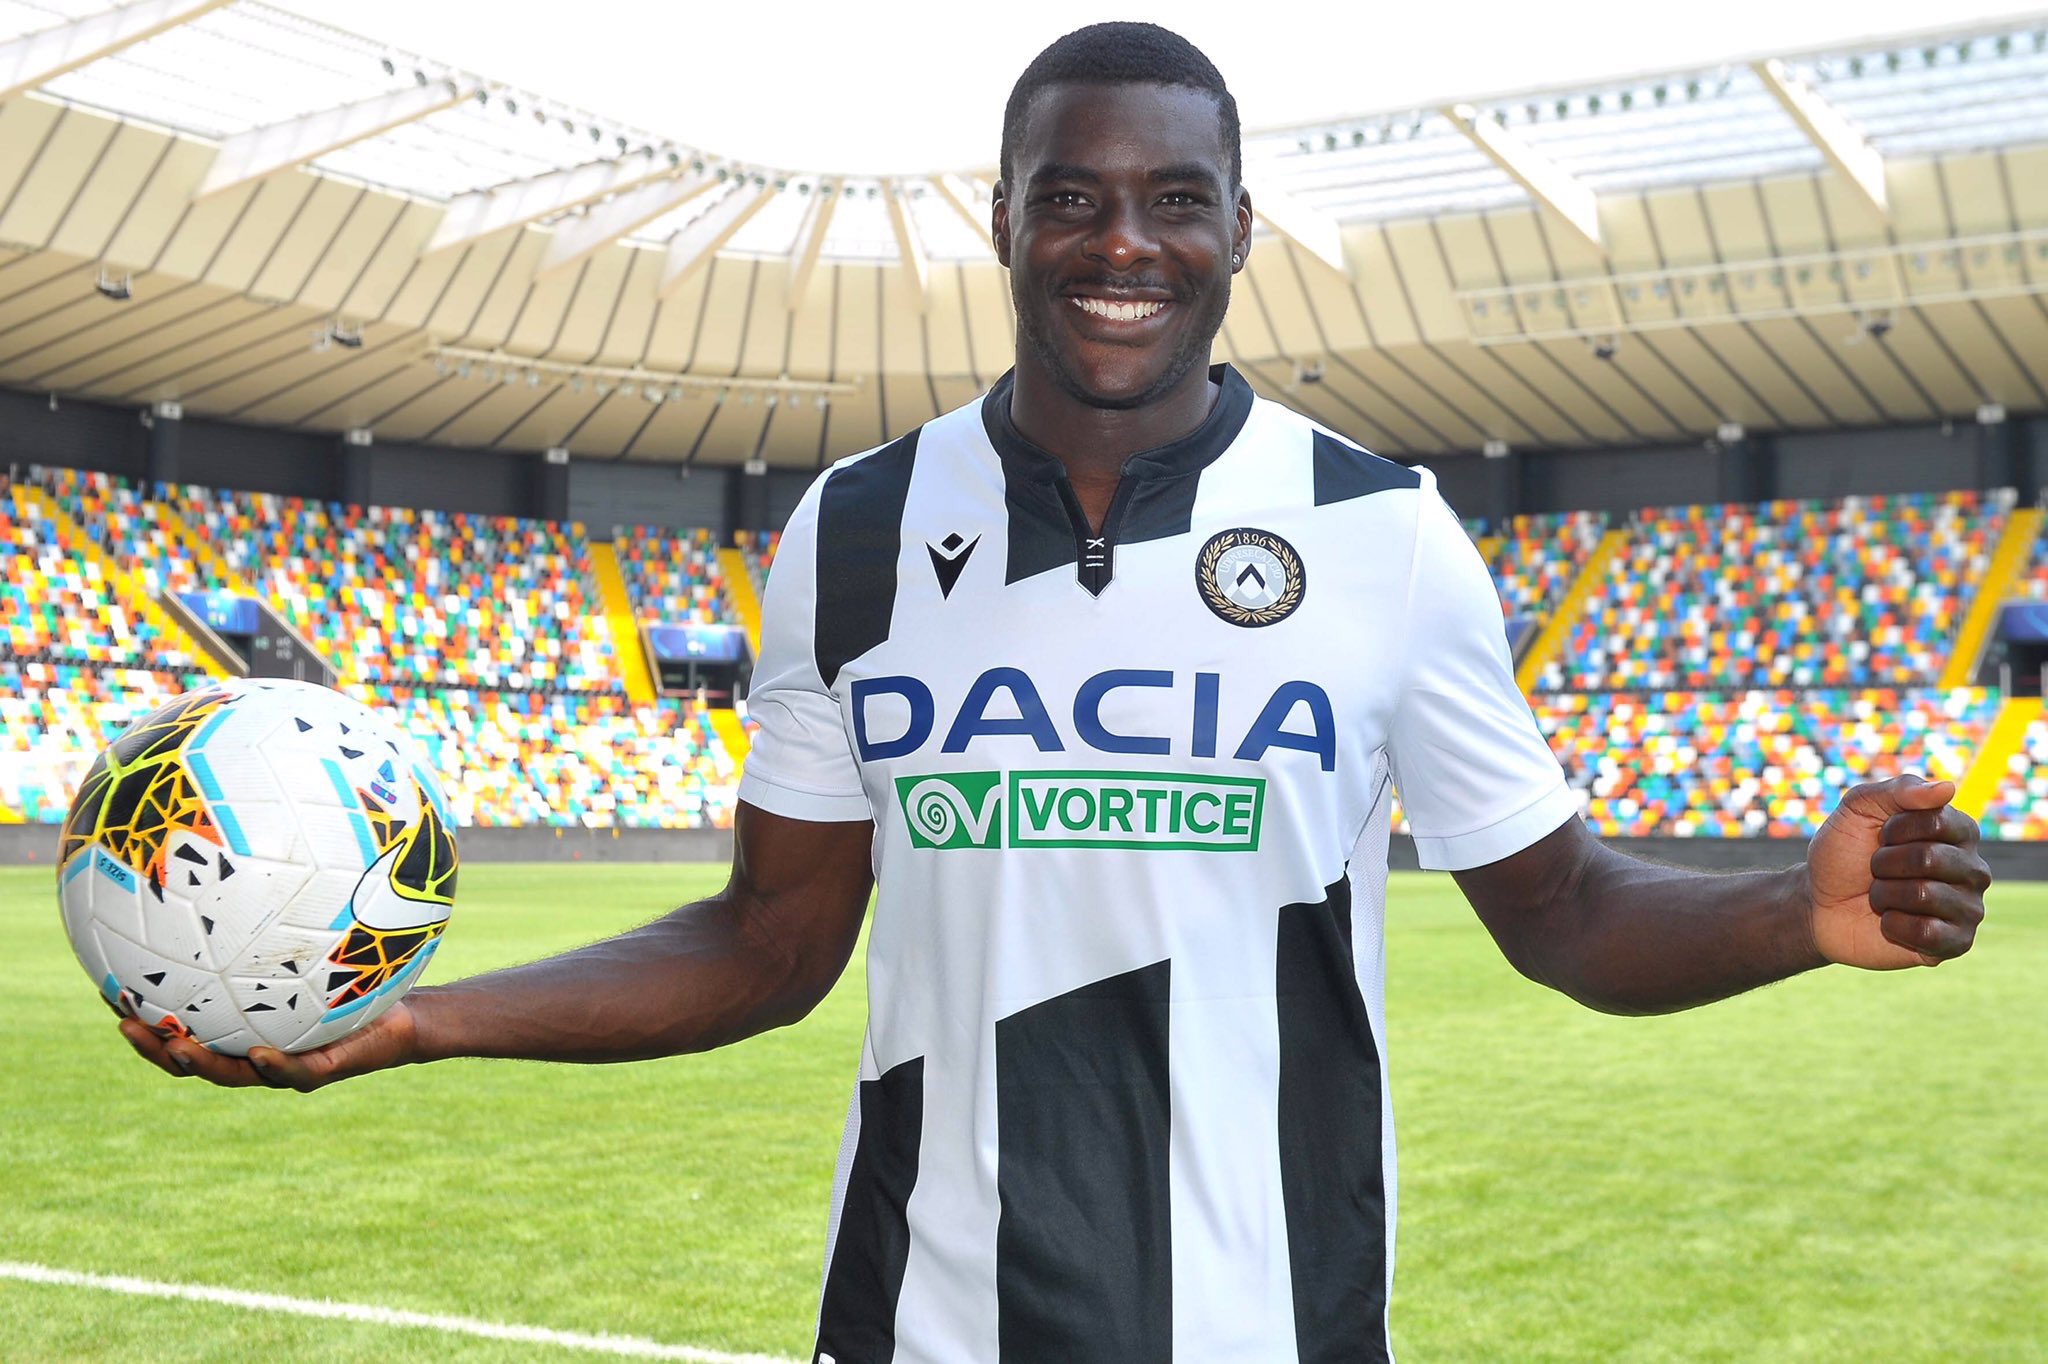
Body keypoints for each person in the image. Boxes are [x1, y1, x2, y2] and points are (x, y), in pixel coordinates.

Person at [123, 23, 1991, 1362]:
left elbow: (1565, 909)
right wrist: (425, 1022)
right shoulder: (856, 530)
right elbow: (770, 941)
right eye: (1073, 197)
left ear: (1241, 227)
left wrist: (1794, 912)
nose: (1123, 244)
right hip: (919, 1324)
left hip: (1270, 1326)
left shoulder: (1382, 531)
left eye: (1176, 200)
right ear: (1003, 217)